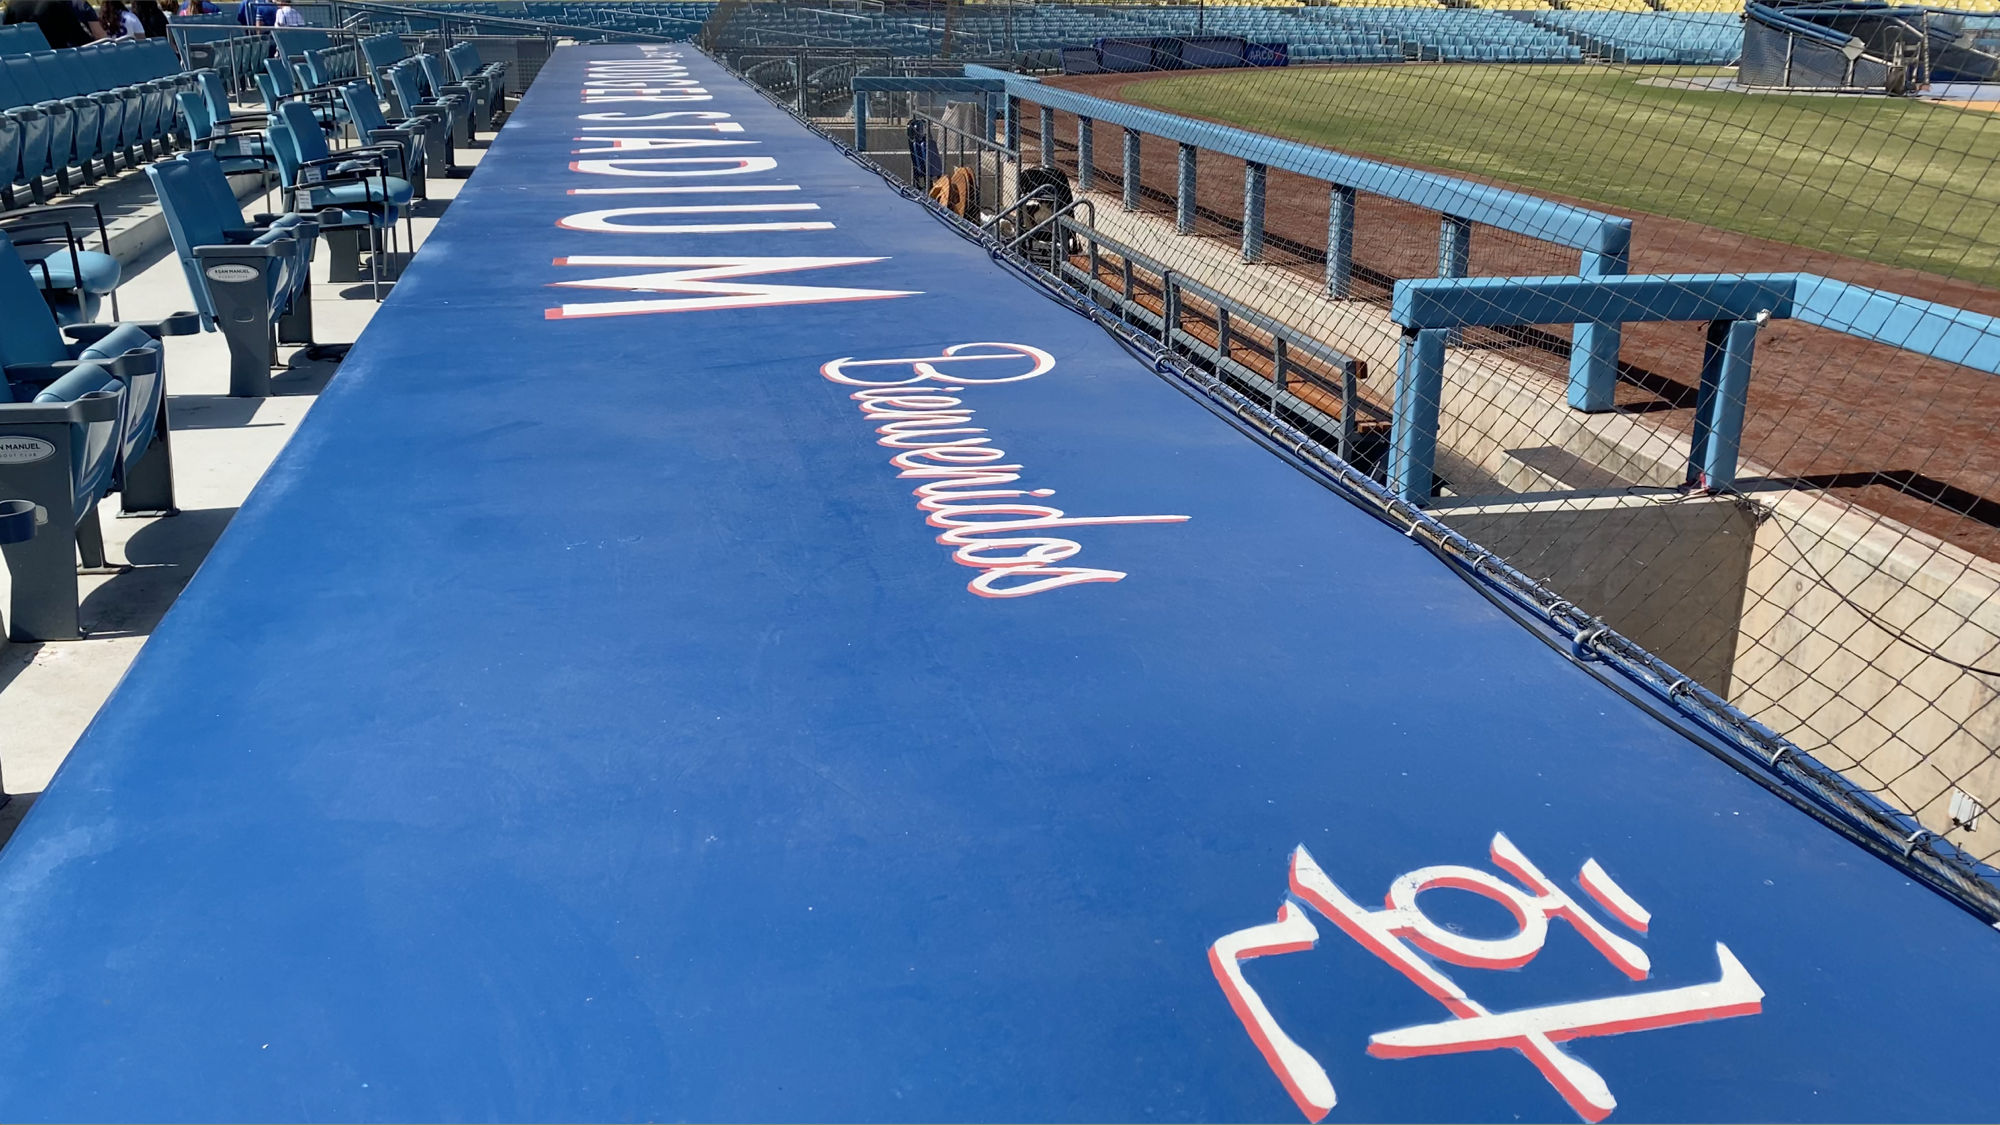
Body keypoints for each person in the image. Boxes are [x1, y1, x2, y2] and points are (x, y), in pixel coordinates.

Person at [1, 0, 91, 46]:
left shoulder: (12, 4)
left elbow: (7, 36)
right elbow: (80, 39)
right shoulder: (56, 4)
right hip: (54, 64)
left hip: (20, 65)